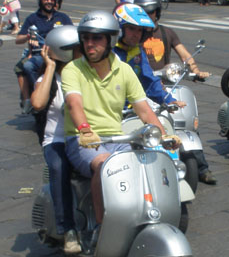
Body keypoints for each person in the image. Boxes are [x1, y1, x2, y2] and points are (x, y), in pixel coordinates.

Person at [61, 11, 170, 227]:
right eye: (86, 38)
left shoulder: (125, 70)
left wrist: (165, 136)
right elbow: (74, 104)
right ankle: (103, 225)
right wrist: (85, 130)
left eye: (97, 38)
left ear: (110, 40)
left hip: (116, 139)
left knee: (145, 162)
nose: (90, 44)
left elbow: (145, 111)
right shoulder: (73, 69)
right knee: (104, 165)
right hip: (83, 140)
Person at [136, 0, 216, 185]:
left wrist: (195, 71)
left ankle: (201, 167)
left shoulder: (166, 33)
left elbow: (184, 55)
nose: (149, 16)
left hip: (168, 86)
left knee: (187, 123)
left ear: (157, 12)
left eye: (151, 12)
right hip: (141, 89)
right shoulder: (135, 36)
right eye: (144, 12)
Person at [30, 26, 81, 255]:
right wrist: (50, 66)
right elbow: (38, 104)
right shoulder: (48, 78)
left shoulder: (85, 74)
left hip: (84, 136)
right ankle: (67, 229)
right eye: (78, 48)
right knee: (59, 168)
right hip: (56, 139)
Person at [15, 0, 73, 114]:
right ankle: (39, 91)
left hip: (62, 55)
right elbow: (18, 39)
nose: (49, 2)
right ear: (40, 0)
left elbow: (73, 34)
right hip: (40, 55)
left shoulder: (62, 17)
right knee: (28, 66)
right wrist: (28, 36)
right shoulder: (32, 19)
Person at [112, 3, 182, 110]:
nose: (136, 34)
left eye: (140, 30)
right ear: (119, 27)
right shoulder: (108, 51)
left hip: (130, 111)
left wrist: (168, 100)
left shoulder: (137, 52)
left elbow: (149, 80)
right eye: (131, 28)